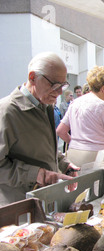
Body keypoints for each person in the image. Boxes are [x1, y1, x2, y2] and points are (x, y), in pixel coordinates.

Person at [0, 52, 78, 206]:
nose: (60, 92)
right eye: (54, 84)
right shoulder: (6, 112)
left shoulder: (45, 105)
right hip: (19, 206)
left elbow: (42, 146)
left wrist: (64, 164)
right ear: (32, 77)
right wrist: (36, 174)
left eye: (63, 85)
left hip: (44, 200)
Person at [56, 66, 104, 166]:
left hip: (73, 153)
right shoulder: (103, 106)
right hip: (96, 156)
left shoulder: (74, 103)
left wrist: (76, 143)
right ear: (103, 89)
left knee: (76, 181)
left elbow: (60, 131)